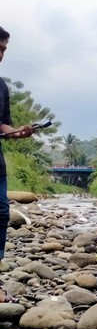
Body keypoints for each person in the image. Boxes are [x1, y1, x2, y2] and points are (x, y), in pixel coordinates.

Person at [0, 26, 35, 303]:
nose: (1, 56)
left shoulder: (1, 86)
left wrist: (16, 132)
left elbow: (3, 123)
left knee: (1, 216)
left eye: (4, 51)